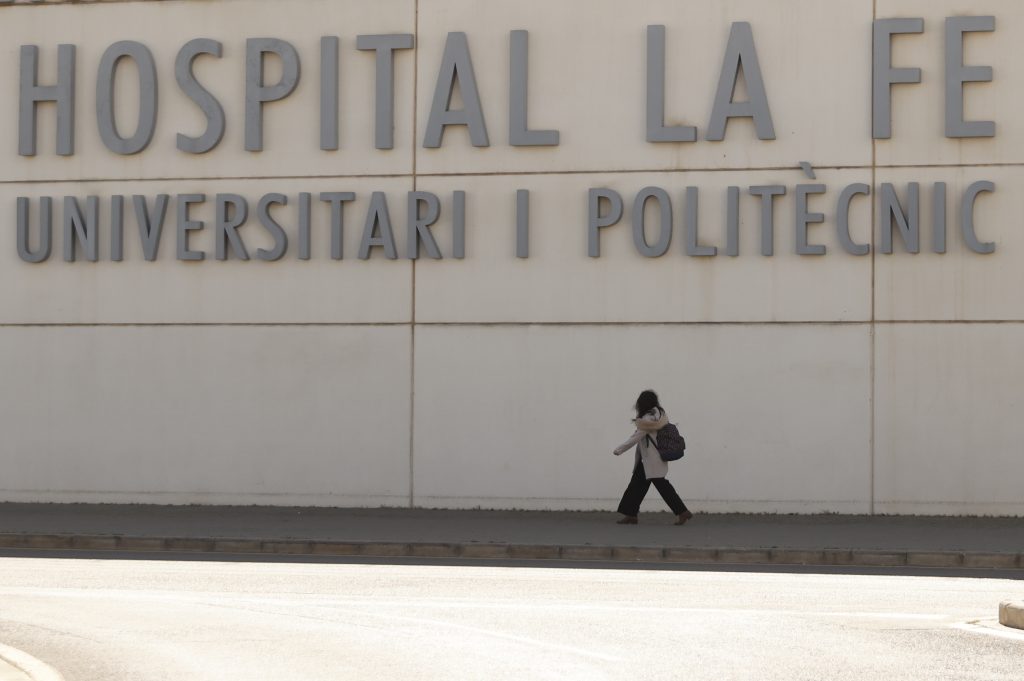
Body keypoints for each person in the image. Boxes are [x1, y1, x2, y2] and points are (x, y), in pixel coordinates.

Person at [613, 390, 693, 525]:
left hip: (651, 460)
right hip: (651, 459)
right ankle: (631, 514)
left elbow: (636, 437)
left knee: (661, 486)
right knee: (636, 485)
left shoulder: (648, 419)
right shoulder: (660, 414)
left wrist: (619, 449)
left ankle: (682, 512)